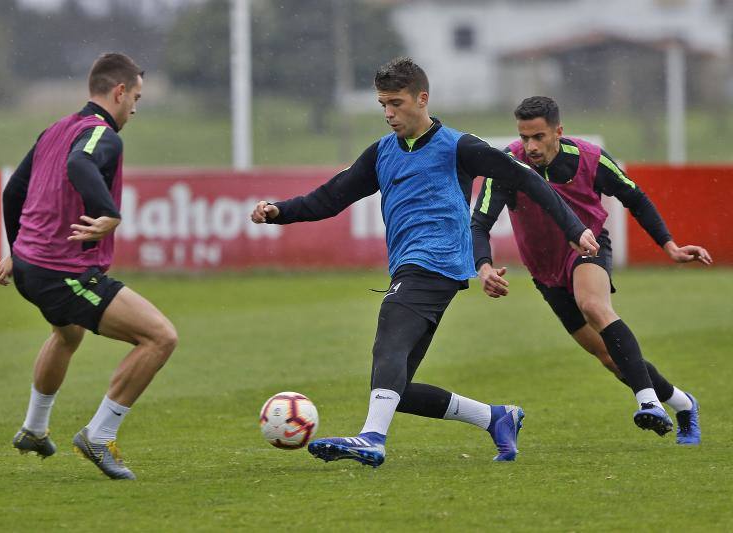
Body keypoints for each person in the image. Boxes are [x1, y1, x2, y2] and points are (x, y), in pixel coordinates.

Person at [250, 58, 599, 467]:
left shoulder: (459, 146)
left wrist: (574, 229)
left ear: (422, 98)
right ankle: (497, 418)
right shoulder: (381, 153)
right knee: (395, 386)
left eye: (396, 103)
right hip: (411, 266)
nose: (388, 113)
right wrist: (279, 211)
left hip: (438, 260)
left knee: (389, 335)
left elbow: (525, 178)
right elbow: (330, 197)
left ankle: (372, 439)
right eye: (383, 104)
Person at [471, 96, 710, 443]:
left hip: (588, 248)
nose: (530, 146)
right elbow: (479, 223)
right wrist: (484, 266)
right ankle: (682, 402)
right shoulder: (508, 164)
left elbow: (635, 197)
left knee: (593, 305)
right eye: (524, 137)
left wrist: (669, 246)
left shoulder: (589, 159)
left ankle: (648, 403)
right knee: (610, 358)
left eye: (538, 136)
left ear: (558, 131)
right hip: (544, 270)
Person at [0, 52, 178, 480]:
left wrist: (17, 250)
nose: (135, 107)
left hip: (33, 269)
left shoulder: (55, 130)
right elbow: (81, 163)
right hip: (62, 272)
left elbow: (12, 193)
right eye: (136, 97)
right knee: (159, 337)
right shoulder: (102, 134)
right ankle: (99, 434)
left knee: (67, 334)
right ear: (118, 92)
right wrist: (108, 211)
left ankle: (34, 430)